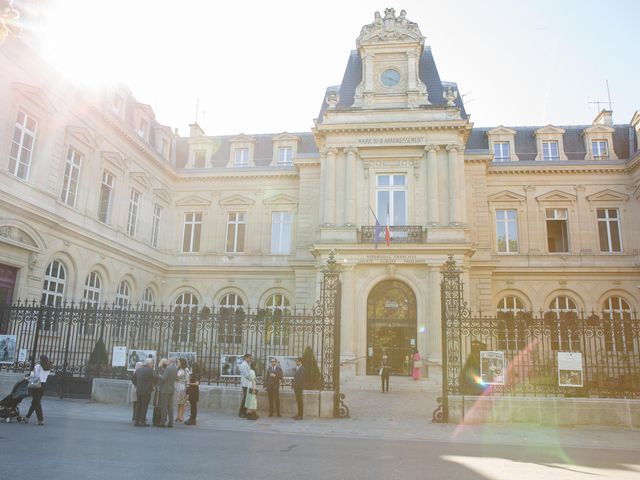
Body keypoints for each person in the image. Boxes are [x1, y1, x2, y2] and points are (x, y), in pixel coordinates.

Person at [24, 354, 52, 425]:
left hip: (37, 385)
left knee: (37, 403)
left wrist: (28, 376)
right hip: (43, 385)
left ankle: (41, 420)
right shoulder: (48, 367)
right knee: (35, 402)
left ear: (41, 359)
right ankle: (27, 417)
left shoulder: (37, 366)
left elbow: (33, 375)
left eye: (39, 358)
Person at [131, 357, 158, 426]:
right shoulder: (150, 370)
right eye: (152, 363)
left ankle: (137, 421)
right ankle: (143, 421)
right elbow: (155, 378)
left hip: (139, 390)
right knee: (144, 406)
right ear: (149, 363)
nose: (152, 364)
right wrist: (153, 385)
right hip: (146, 391)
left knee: (138, 405)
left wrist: (137, 385)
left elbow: (133, 379)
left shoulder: (139, 370)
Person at [159, 357, 177, 427]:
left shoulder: (168, 368)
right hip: (171, 388)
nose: (167, 362)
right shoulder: (175, 368)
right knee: (170, 406)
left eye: (168, 360)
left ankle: (163, 422)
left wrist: (160, 375)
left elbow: (163, 379)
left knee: (164, 406)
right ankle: (170, 422)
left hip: (165, 389)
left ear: (170, 361)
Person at [238, 353, 252, 418]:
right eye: (249, 358)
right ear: (246, 358)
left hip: (247, 384)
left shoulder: (246, 364)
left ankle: (244, 412)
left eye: (251, 358)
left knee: (246, 399)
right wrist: (252, 378)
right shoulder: (244, 365)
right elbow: (246, 375)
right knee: (245, 399)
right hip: (245, 384)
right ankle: (241, 412)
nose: (250, 359)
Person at [175, 357, 189, 422]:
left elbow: (187, 380)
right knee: (178, 402)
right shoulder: (177, 369)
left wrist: (187, 389)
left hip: (183, 387)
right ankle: (178, 415)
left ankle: (181, 416)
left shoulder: (186, 370)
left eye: (178, 362)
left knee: (182, 403)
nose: (177, 363)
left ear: (181, 363)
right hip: (178, 387)